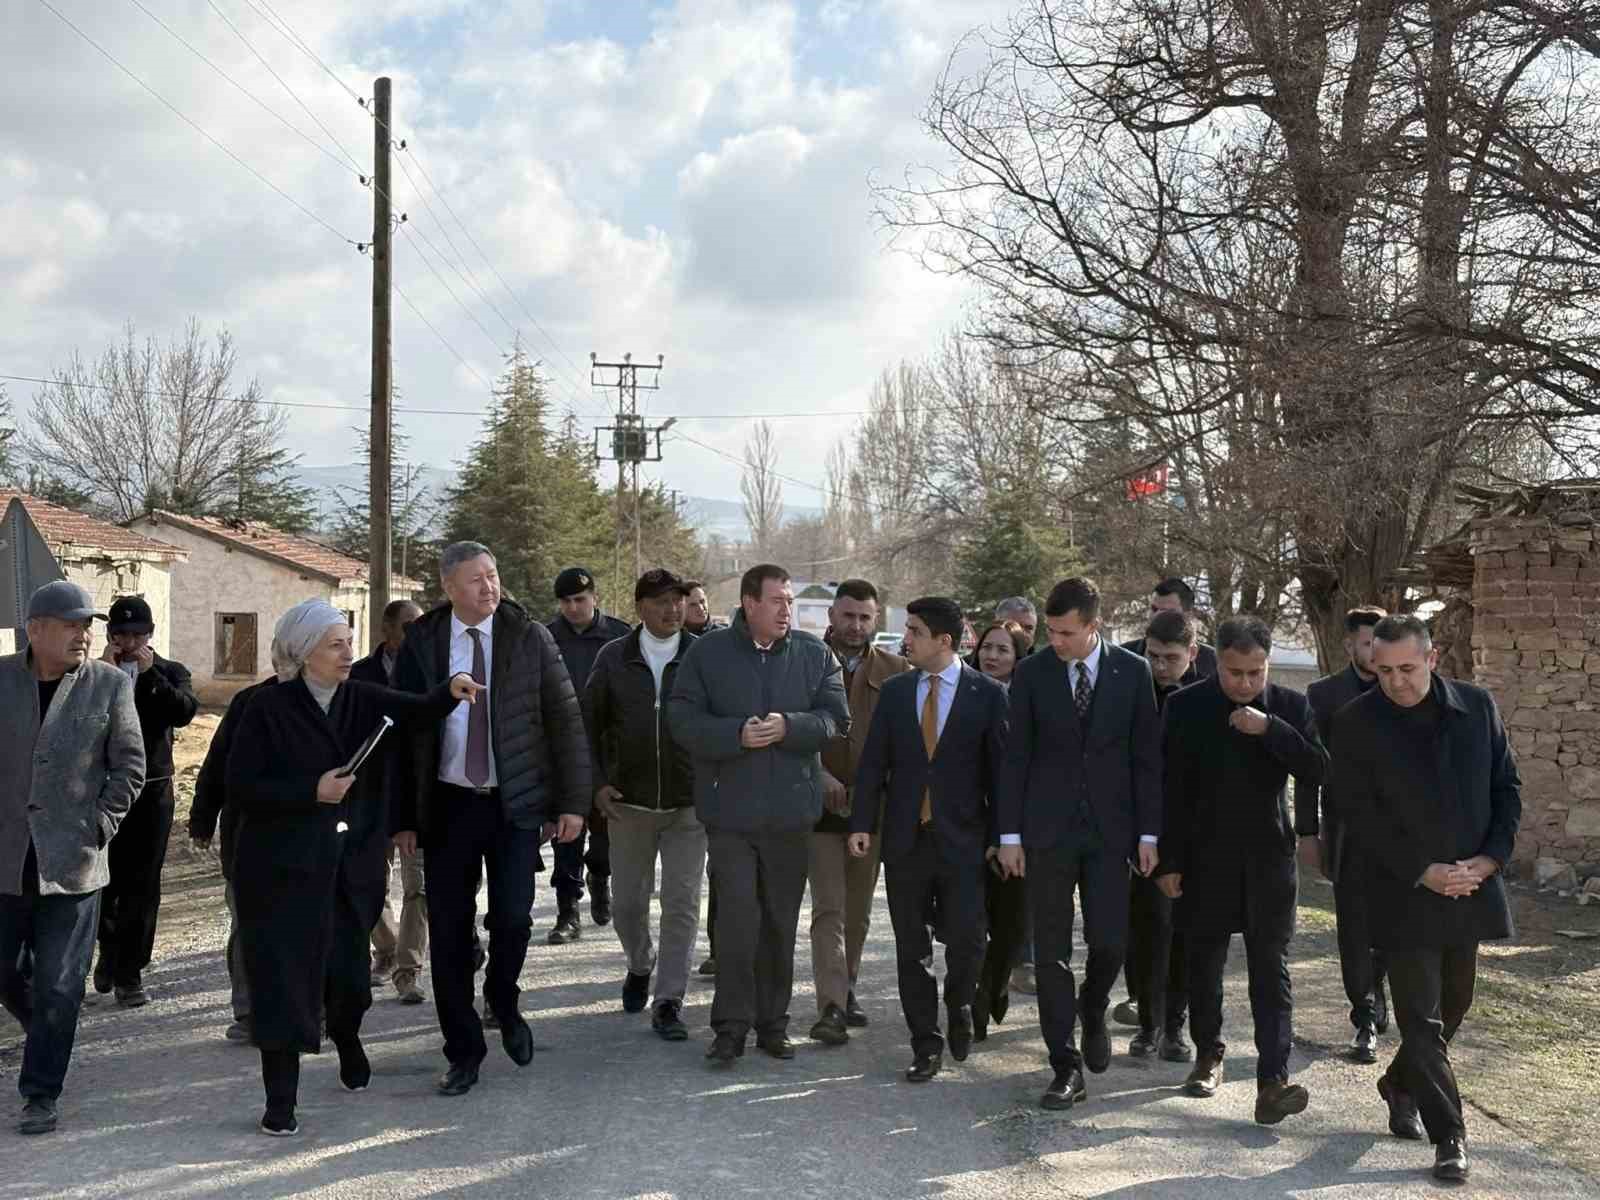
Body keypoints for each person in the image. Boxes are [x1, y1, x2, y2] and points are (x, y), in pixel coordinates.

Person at [226, 600, 480, 1135]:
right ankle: (281, 1100)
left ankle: (347, 1036)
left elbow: (415, 709)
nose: (348, 653)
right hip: (279, 872)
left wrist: (449, 690)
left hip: (347, 869)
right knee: (283, 985)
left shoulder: (360, 697)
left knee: (347, 979)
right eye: (335, 643)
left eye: (348, 641)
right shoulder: (264, 708)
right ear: (303, 652)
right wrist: (310, 791)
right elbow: (242, 786)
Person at [394, 542, 592, 1098]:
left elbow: (565, 721)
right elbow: (405, 732)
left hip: (514, 805)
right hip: (449, 805)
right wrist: (403, 817)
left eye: (494, 574)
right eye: (476, 579)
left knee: (512, 918)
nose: (489, 586)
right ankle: (463, 1052)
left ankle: (503, 997)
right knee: (451, 934)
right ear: (449, 588)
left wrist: (572, 803)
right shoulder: (425, 642)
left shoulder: (529, 637)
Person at [1330, 614, 1520, 1184]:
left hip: (1470, 884)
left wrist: (1486, 862)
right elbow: (1355, 816)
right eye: (1383, 670)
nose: (1396, 681)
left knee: (1455, 1004)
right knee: (1422, 1018)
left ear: (1432, 659)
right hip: (1399, 890)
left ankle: (1398, 1082)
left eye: (1407, 668)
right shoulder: (1355, 722)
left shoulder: (1476, 708)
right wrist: (1421, 871)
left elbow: (1506, 789)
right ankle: (1451, 1137)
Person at [669, 563, 849, 1066]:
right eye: (777, 601)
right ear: (749, 603)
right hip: (730, 816)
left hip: (791, 816)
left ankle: (773, 1023)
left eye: (790, 601)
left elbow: (836, 719)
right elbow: (680, 719)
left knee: (778, 923)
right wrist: (736, 736)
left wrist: (789, 727)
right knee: (736, 923)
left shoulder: (815, 654)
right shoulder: (708, 653)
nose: (787, 610)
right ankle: (730, 1027)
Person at [996, 577, 1162, 1111]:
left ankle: (1093, 1008)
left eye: (1067, 632)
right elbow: (1014, 758)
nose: (1057, 641)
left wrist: (1148, 833)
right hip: (1046, 833)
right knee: (1051, 952)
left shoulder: (1132, 673)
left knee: (1111, 941)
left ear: (1094, 626)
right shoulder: (1032, 673)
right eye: (1051, 630)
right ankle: (1064, 1063)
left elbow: (1145, 758)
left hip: (1111, 833)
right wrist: (1010, 836)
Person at [1156, 615, 1327, 1126]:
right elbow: (1169, 790)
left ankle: (1272, 1081)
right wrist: (1167, 861)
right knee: (1203, 963)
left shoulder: (1291, 707)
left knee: (1270, 972)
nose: (1245, 683)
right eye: (1235, 672)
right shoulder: (1185, 707)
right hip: (1203, 860)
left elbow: (1319, 768)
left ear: (1268, 664)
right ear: (1216, 662)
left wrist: (1270, 728)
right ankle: (1208, 1053)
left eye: (1256, 673)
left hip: (1268, 861)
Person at [0, 581, 144, 1135]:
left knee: (62, 984)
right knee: (11, 975)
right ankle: (48, 1032)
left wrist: (99, 826)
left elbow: (128, 767)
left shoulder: (107, 685)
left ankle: (40, 1092)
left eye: (89, 625)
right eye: (72, 624)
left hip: (75, 863)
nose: (85, 634)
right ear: (36, 630)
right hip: (7, 859)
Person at [850, 597, 1008, 1081]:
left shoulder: (987, 695)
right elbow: (874, 761)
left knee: (966, 940)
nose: (906, 639)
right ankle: (925, 1042)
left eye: (915, 631)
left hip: (964, 841)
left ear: (945, 641)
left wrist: (1002, 838)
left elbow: (1001, 775)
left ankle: (960, 1004)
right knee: (910, 947)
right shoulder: (898, 692)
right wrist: (861, 824)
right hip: (906, 841)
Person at [582, 568, 705, 1041]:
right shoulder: (614, 658)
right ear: (640, 608)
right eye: (661, 602)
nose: (673, 609)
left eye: (678, 601)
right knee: (628, 904)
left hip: (688, 804)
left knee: (681, 903)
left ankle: (669, 999)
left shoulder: (702, 656)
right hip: (628, 803)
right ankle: (640, 961)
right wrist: (596, 783)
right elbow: (587, 725)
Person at [808, 579, 909, 1044]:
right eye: (848, 615)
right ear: (831, 616)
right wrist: (818, 775)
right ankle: (830, 1006)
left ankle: (846, 988)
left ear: (877, 620)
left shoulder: (897, 670)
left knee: (858, 911)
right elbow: (788, 730)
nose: (856, 625)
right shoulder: (803, 661)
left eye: (865, 617)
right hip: (817, 808)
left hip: (871, 810)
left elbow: (905, 746)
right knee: (828, 907)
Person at [90, 595, 197, 1008]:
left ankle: (129, 972)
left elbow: (184, 711)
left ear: (150, 635)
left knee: (142, 883)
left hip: (152, 791)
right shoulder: (93, 673)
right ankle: (109, 950)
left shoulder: (171, 672)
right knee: (103, 881)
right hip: (102, 792)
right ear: (110, 635)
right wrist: (100, 673)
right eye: (122, 634)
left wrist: (152, 676)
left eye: (138, 634)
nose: (130, 642)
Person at [1305, 606, 1389, 1063]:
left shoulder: (1407, 689)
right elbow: (1309, 767)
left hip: (1402, 836)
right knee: (1355, 930)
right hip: (1347, 831)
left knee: (1392, 926)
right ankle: (1365, 1019)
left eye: (1381, 642)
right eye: (1366, 644)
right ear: (1349, 644)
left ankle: (1379, 996)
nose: (1374, 653)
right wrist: (1307, 833)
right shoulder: (1323, 695)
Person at [546, 566, 632, 943]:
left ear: (594, 597)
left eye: (580, 599)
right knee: (567, 833)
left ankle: (601, 875)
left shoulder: (620, 635)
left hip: (608, 751)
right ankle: (568, 912)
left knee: (606, 833)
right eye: (566, 601)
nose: (574, 607)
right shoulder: (547, 638)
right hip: (563, 750)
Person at [190, 673, 275, 1043]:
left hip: (311, 843)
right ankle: (249, 1011)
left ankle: (309, 1008)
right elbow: (217, 765)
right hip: (245, 840)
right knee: (247, 926)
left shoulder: (338, 701)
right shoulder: (250, 702)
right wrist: (202, 819)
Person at [354, 598, 428, 1006]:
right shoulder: (359, 677)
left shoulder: (432, 676)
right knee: (370, 883)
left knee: (419, 886)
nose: (416, 634)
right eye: (408, 627)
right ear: (387, 631)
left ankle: (408, 971)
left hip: (416, 799)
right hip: (371, 797)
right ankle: (386, 948)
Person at [965, 621, 1029, 1042]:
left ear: (1018, 658)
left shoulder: (1029, 700)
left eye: (1003, 650)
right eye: (988, 648)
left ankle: (997, 979)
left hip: (1021, 830)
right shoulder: (963, 695)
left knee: (1011, 921)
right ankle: (974, 990)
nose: (993, 656)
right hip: (970, 824)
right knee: (970, 920)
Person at [1121, 578, 1219, 680]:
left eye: (1166, 611)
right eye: (1154, 609)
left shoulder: (1214, 663)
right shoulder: (1122, 657)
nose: (1156, 616)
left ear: (1188, 615)